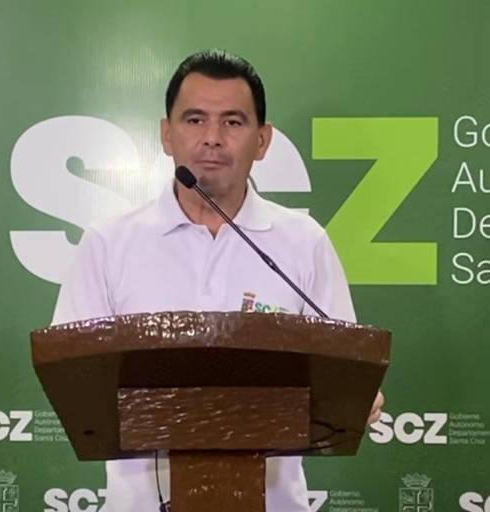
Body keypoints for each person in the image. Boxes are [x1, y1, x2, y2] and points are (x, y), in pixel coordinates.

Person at [52, 49, 385, 512]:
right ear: (166, 135)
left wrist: (356, 397)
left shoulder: (303, 241)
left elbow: (345, 373)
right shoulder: (108, 243)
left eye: (233, 122)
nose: (212, 138)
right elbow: (75, 382)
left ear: (262, 141)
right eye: (194, 120)